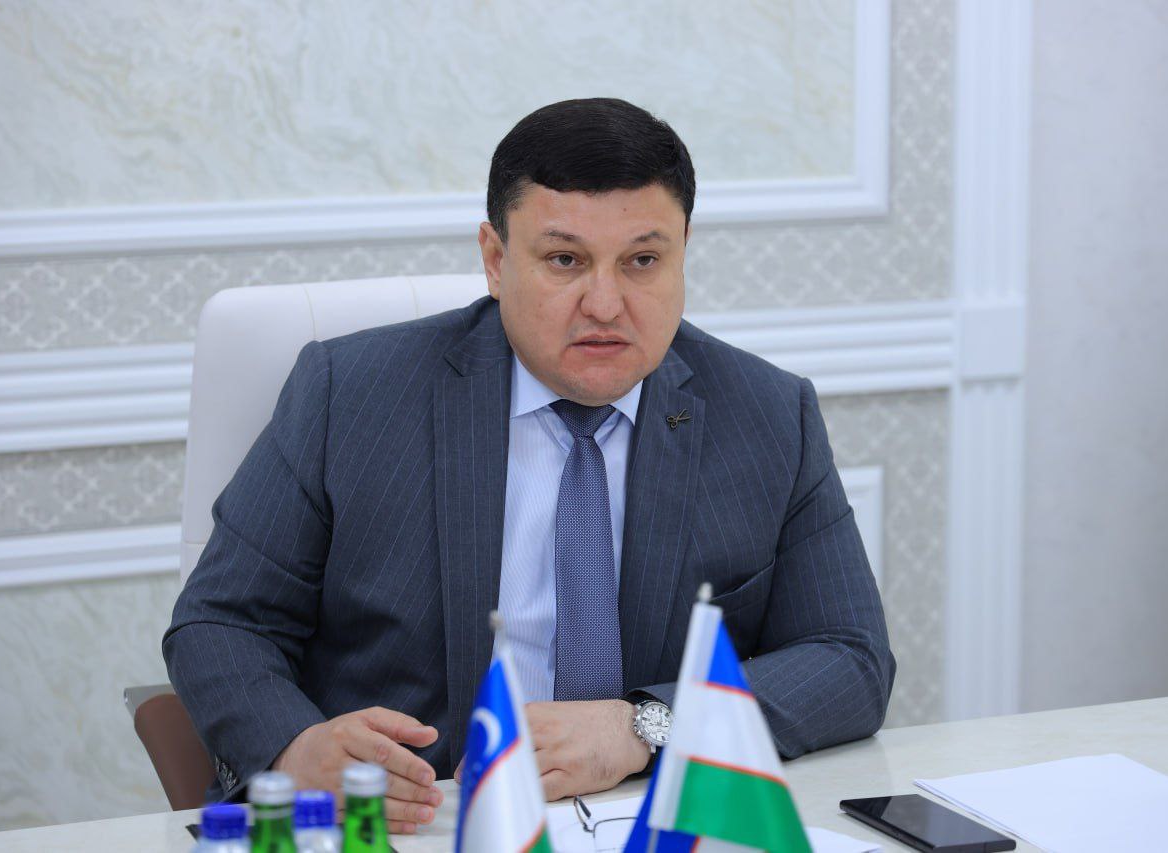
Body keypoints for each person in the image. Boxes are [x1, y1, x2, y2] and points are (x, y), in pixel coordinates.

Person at [164, 98, 895, 835]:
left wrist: (645, 725)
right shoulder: (350, 395)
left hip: (646, 822)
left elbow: (850, 658)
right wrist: (295, 747)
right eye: (565, 260)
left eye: (643, 261)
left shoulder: (768, 413)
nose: (605, 304)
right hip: (416, 824)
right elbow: (220, 621)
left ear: (683, 252)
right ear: (495, 259)